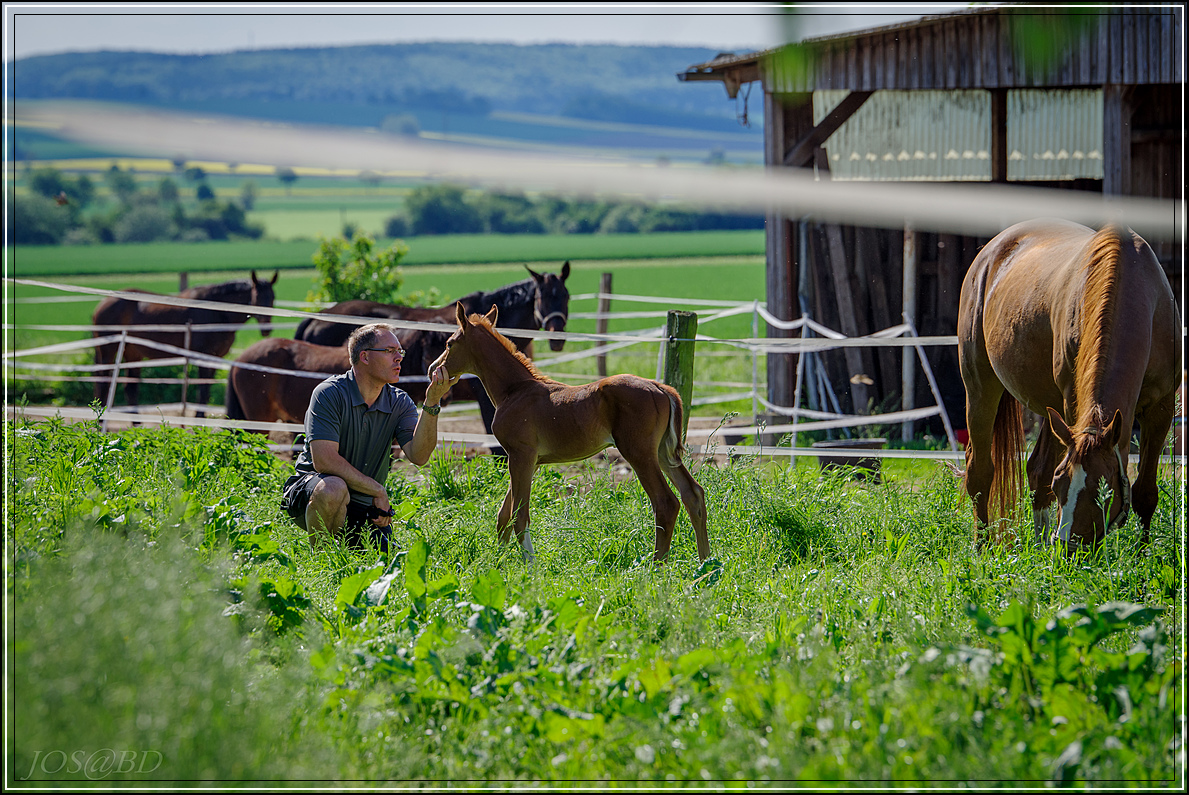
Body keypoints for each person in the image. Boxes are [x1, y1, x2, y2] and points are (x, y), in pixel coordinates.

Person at [281, 322, 457, 553]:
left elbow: (420, 455)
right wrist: (377, 490)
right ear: (364, 357)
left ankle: (345, 554)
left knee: (388, 561)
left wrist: (432, 401)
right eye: (389, 351)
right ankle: (320, 563)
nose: (399, 358)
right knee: (333, 488)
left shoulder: (400, 402)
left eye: (400, 351)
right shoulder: (329, 393)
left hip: (365, 507)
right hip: (310, 493)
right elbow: (324, 461)